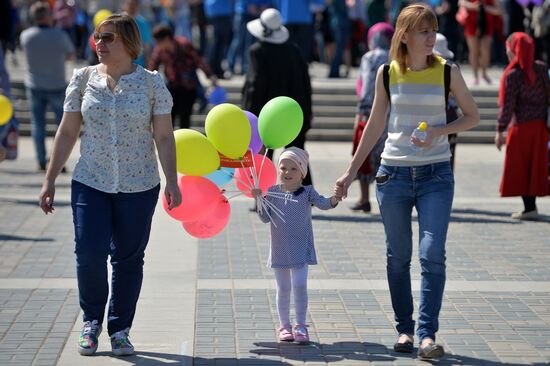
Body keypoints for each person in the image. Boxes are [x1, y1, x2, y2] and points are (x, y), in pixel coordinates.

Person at [334, 3, 479, 359]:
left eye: (433, 30)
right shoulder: (387, 72)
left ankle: (427, 335)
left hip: (436, 175)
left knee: (432, 255)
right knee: (398, 257)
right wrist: (350, 173)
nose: (431, 37)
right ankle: (405, 330)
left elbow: (473, 116)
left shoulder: (448, 71)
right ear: (405, 35)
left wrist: (439, 132)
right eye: (424, 31)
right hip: (393, 176)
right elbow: (375, 125)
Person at [38, 14, 181, 356]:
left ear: (129, 43)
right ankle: (91, 323)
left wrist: (172, 180)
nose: (99, 44)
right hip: (91, 181)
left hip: (139, 185)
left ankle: (120, 329)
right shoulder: (83, 79)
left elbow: (163, 135)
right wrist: (49, 180)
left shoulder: (151, 84)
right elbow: (68, 131)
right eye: (97, 37)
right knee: (88, 253)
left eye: (108, 38)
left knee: (128, 259)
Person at [251, 147, 341, 344]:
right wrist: (258, 200)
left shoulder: (307, 192)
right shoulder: (272, 192)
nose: (287, 173)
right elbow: (265, 218)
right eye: (283, 168)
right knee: (283, 288)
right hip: (280, 248)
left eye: (293, 169)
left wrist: (335, 198)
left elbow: (324, 203)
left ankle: (300, 325)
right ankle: (284, 326)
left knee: (300, 285)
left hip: (300, 247)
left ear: (302, 172)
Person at [242, 8, 313, 185]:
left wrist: (250, 115)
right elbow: (306, 83)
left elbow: (255, 85)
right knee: (297, 155)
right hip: (295, 112)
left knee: (264, 156)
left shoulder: (257, 51)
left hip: (268, 114)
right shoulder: (294, 50)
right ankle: (304, 195)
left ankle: (263, 192)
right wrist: (307, 112)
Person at [495, 32, 549, 220]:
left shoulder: (513, 75)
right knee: (536, 168)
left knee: (521, 170)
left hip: (520, 130)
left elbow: (508, 106)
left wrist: (500, 129)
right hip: (540, 128)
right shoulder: (542, 69)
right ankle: (531, 207)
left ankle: (529, 208)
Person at [20, 2, 75, 171]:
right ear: (47, 16)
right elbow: (71, 55)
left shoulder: (26, 35)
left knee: (38, 125)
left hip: (34, 84)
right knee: (62, 128)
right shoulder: (60, 35)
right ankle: (59, 162)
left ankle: (41, 161)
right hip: (57, 84)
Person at [351, 22, 393, 213]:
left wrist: (362, 111)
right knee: (386, 158)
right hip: (392, 113)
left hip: (371, 113)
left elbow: (367, 84)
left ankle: (364, 198)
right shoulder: (395, 57)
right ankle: (389, 201)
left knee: (365, 155)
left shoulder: (370, 57)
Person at [149, 24, 217, 129]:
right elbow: (153, 67)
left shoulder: (184, 44)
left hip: (188, 87)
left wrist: (210, 75)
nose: (157, 45)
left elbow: (199, 60)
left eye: (158, 42)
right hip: (172, 87)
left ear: (166, 38)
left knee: (185, 119)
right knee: (169, 118)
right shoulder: (159, 50)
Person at [433, 32, 460, 171]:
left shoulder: (430, 69)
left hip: (439, 116)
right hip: (451, 115)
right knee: (448, 157)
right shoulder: (454, 67)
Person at [457, 0, 501, 85]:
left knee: (485, 51)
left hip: (487, 24)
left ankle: (484, 73)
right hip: (471, 23)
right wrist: (474, 6)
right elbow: (461, 2)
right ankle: (475, 76)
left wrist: (485, 8)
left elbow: (498, 10)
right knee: (474, 51)